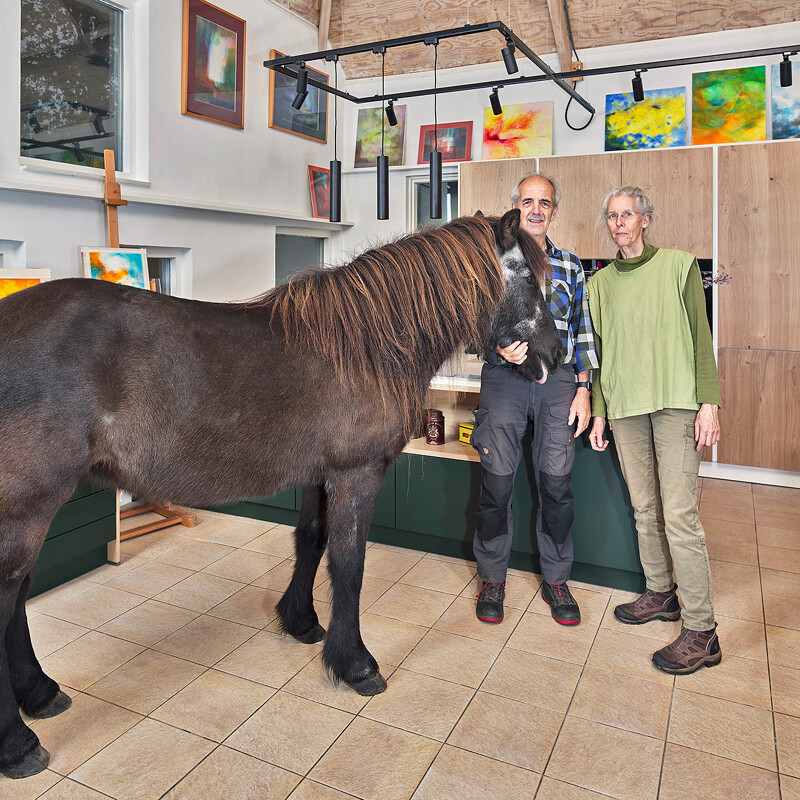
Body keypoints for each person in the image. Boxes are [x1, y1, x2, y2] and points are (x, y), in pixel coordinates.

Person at [587, 186, 722, 675]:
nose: (619, 222)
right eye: (612, 216)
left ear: (645, 219)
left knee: (680, 514)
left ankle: (702, 629)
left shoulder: (679, 266)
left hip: (675, 402)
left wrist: (709, 403)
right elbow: (597, 359)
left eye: (628, 214)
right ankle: (661, 593)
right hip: (625, 406)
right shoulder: (597, 285)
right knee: (645, 508)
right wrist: (600, 413)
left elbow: (701, 341)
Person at [472, 174, 598, 625]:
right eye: (528, 201)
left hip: (558, 384)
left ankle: (557, 580)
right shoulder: (494, 262)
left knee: (556, 486)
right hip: (504, 382)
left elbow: (582, 330)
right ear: (516, 208)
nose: (537, 209)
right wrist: (495, 347)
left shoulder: (571, 265)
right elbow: (472, 322)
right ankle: (492, 579)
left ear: (554, 211)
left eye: (545, 202)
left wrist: (584, 387)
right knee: (496, 483)